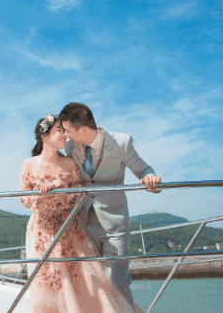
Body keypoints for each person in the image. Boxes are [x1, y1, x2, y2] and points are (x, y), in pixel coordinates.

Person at [18, 113, 144, 313]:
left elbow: (78, 195)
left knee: (79, 280)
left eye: (64, 131)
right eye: (59, 130)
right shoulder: (29, 163)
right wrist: (41, 196)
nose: (64, 135)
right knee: (46, 280)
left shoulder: (69, 162)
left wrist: (60, 189)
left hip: (70, 227)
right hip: (41, 230)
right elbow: (24, 198)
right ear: (44, 135)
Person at [58, 102, 160, 309]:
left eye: (67, 130)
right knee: (90, 283)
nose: (65, 136)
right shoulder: (70, 148)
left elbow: (144, 169)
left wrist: (150, 177)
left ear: (83, 129)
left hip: (115, 223)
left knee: (118, 283)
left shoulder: (122, 143)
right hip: (83, 224)